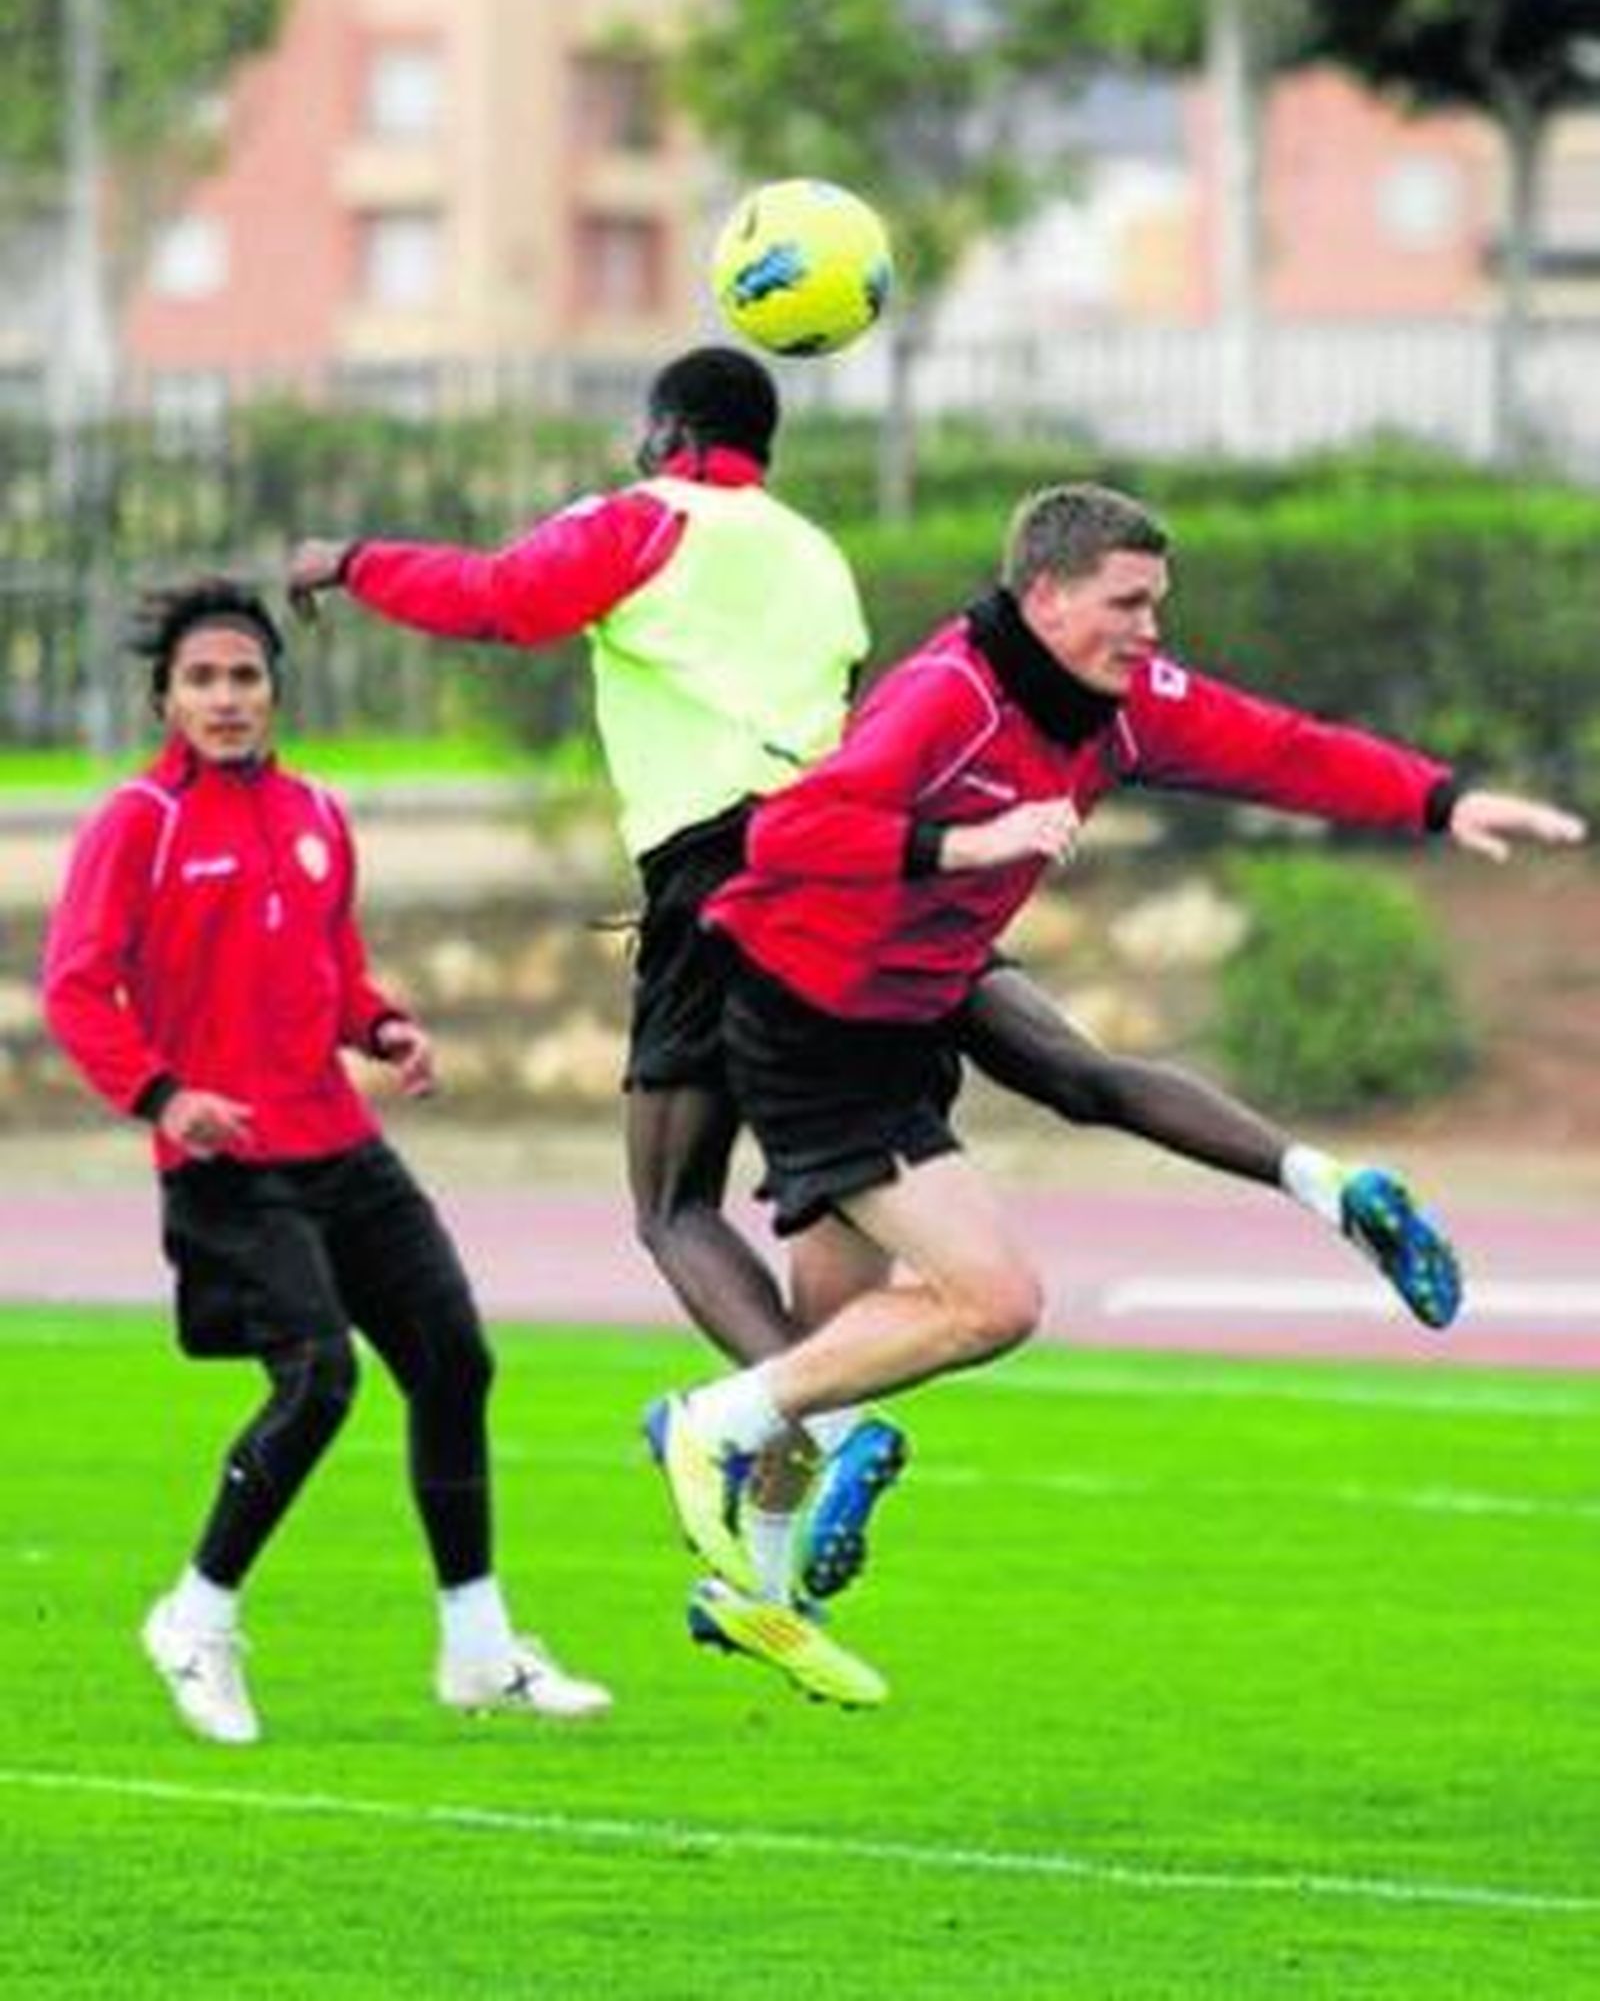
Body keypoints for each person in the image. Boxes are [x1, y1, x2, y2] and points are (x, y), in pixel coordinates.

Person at [289, 363, 1466, 1702]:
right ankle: (762, 1579)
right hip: (880, 879)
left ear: (668, 435)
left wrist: (350, 558)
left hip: (733, 885)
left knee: (672, 1205)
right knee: (1038, 1095)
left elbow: (499, 601)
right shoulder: (813, 556)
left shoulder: (646, 517)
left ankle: (811, 1418)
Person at [649, 481, 1588, 1598]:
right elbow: (791, 828)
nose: (1150, 631)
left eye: (1157, 605)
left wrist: (1439, 801)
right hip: (816, 1018)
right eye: (1127, 603)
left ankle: (756, 1587)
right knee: (994, 1302)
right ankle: (706, 1421)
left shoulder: (1128, 702)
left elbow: (1278, 749)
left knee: (834, 1334)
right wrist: (968, 846)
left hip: (908, 1009)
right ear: (1044, 596)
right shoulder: (948, 695)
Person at [41, 580, 611, 1745]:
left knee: (453, 1362)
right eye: (202, 679)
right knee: (319, 1378)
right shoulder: (136, 823)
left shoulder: (313, 814)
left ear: (273, 691)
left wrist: (384, 1027)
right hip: (227, 1164)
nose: (226, 697)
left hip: (343, 1147)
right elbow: (73, 985)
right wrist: (160, 1095)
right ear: (167, 698)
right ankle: (194, 1618)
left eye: (245, 676)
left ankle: (477, 1646)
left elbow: (329, 972)